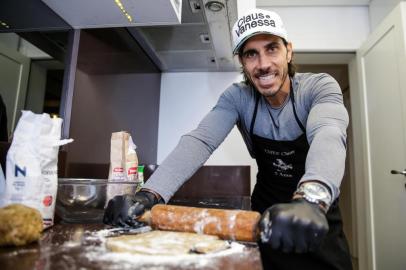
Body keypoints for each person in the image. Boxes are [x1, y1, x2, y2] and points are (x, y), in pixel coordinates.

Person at [103, 8, 352, 270]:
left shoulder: (318, 88)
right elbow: (200, 141)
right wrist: (148, 195)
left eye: (272, 49)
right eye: (251, 54)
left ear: (288, 51)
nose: (263, 64)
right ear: (242, 62)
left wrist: (312, 199)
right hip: (266, 211)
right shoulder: (237, 98)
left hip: (315, 212)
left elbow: (329, 133)